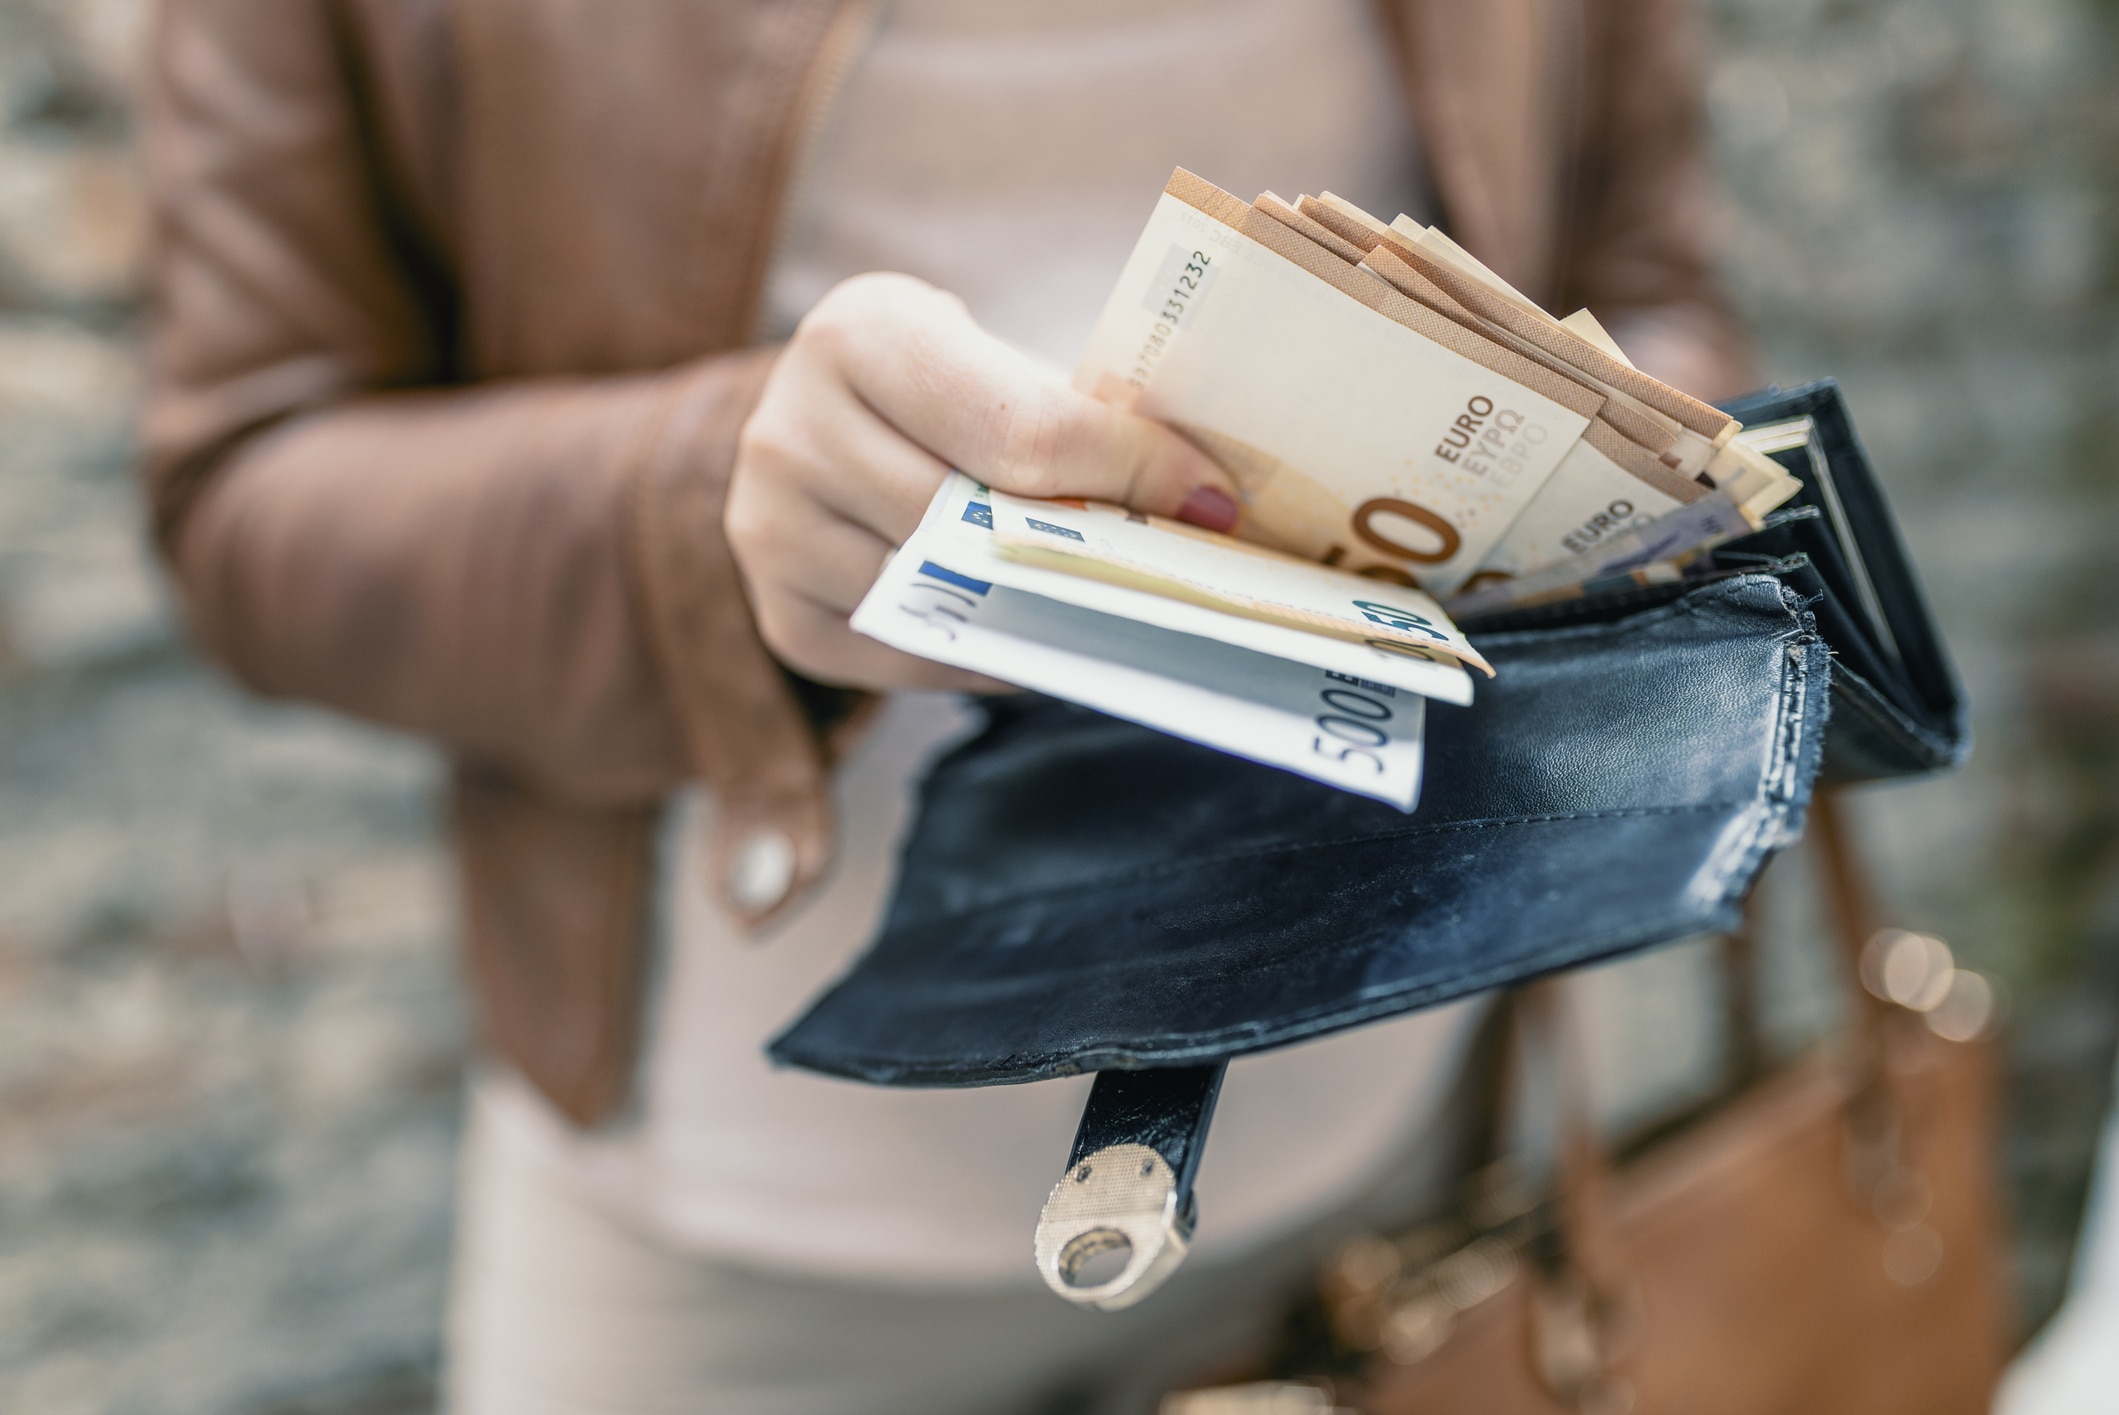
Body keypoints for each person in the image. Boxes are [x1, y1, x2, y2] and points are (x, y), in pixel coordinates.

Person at [142, 1, 1752, 1410]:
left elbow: (1653, 284)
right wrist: (704, 502)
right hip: (737, 1246)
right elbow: (242, 492)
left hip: (1385, 1120)